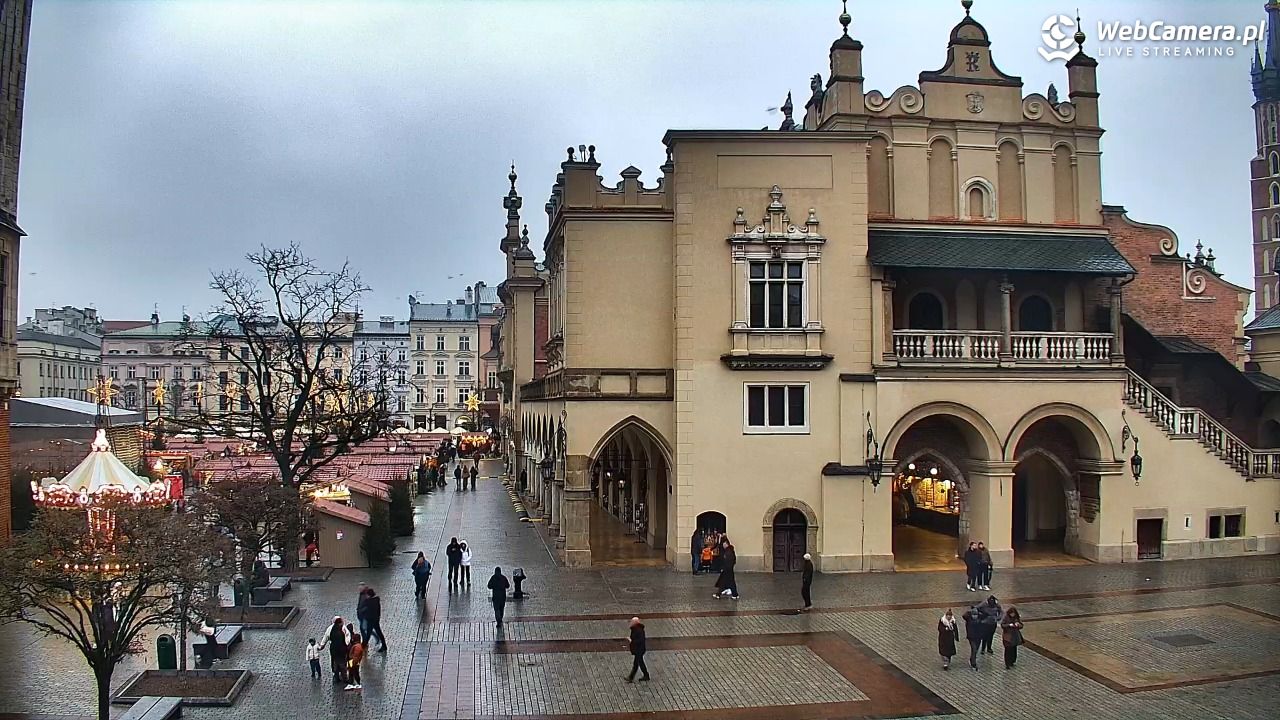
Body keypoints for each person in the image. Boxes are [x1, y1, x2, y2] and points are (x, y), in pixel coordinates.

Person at [624, 617, 650, 682]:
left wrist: (631, 641)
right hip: (638, 649)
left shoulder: (638, 630)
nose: (630, 623)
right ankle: (632, 677)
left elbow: (640, 640)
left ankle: (633, 677)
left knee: (639, 663)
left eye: (632, 622)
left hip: (639, 650)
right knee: (637, 663)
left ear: (635, 623)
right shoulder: (636, 629)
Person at [323, 616, 348, 683]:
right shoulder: (340, 632)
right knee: (342, 665)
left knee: (335, 664)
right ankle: (344, 678)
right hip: (340, 652)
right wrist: (345, 649)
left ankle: (336, 677)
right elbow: (343, 641)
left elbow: (326, 637)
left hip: (333, 651)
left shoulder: (332, 629)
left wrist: (322, 645)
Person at [364, 587, 387, 652]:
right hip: (376, 619)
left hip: (371, 620)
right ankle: (384, 645)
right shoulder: (376, 600)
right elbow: (378, 610)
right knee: (377, 632)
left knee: (369, 633)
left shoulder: (369, 602)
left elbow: (367, 611)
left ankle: (364, 646)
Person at [961, 605, 983, 671]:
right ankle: (973, 663)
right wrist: (969, 611)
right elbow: (964, 616)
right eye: (973, 615)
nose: (975, 616)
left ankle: (972, 659)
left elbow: (985, 614)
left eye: (976, 615)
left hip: (978, 637)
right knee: (974, 649)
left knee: (976, 650)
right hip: (971, 637)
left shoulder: (980, 618)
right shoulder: (968, 619)